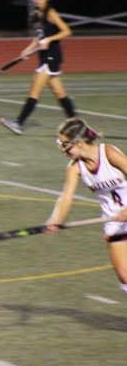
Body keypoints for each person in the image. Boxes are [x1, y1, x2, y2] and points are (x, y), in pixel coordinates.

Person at [46, 118, 127, 294]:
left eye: (66, 145)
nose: (63, 150)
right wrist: (55, 219)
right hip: (113, 222)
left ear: (80, 143)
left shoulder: (109, 153)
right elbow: (66, 197)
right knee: (124, 276)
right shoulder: (75, 167)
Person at [0, 0, 76, 135]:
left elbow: (67, 31)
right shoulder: (36, 15)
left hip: (51, 57)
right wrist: (26, 51)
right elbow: (38, 38)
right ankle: (77, 125)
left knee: (34, 91)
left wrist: (50, 39)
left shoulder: (50, 13)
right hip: (45, 57)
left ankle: (19, 123)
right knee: (60, 93)